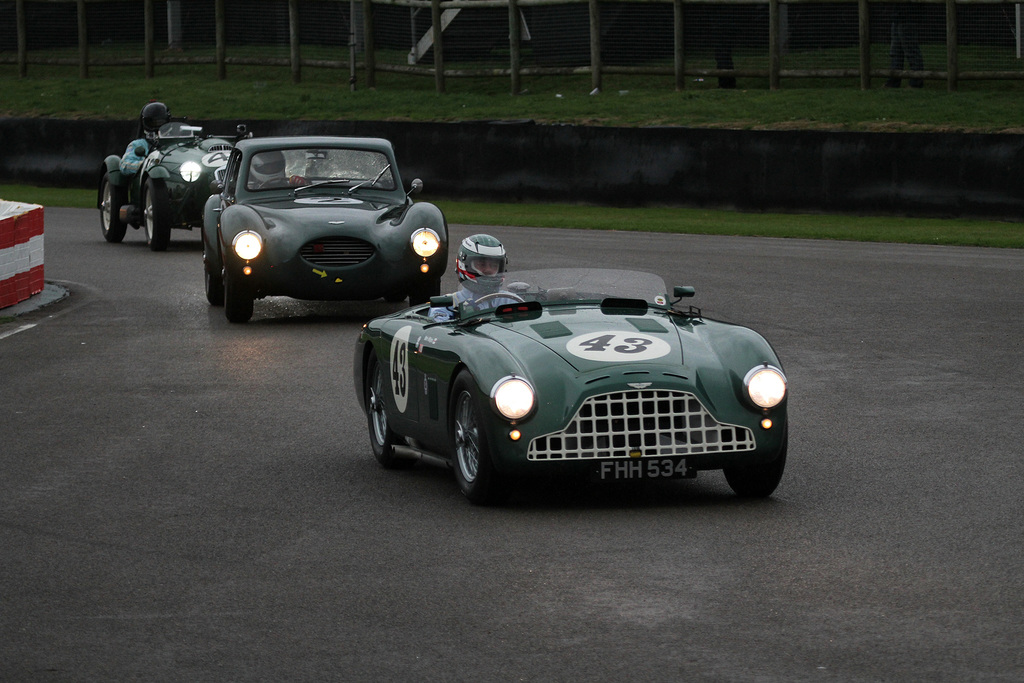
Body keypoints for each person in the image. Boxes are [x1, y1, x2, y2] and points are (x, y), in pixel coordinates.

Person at [429, 234, 509, 321]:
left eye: (493, 265)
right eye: (482, 265)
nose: (488, 270)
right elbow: (439, 330)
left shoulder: (509, 300)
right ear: (463, 265)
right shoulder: (447, 305)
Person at [119, 101, 169, 176]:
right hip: (149, 182)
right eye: (153, 122)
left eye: (161, 122)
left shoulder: (175, 142)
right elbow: (125, 165)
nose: (157, 125)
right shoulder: (138, 144)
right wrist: (147, 164)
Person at [886, 5, 924, 88]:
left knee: (911, 50)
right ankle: (893, 81)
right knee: (896, 52)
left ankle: (916, 82)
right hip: (898, 16)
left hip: (908, 16)